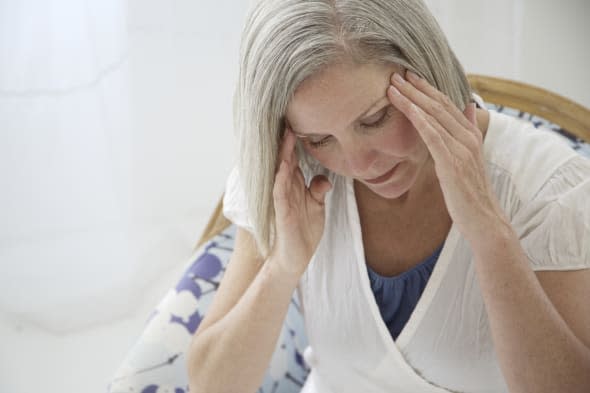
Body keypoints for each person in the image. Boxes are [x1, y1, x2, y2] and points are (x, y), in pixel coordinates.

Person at [186, 0, 590, 392]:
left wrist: (489, 234)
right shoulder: (293, 179)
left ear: (426, 68)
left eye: (375, 119)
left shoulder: (548, 190)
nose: (359, 165)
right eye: (320, 138)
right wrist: (283, 265)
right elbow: (212, 386)